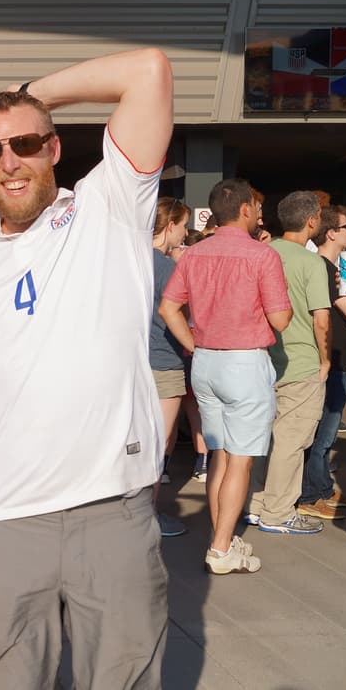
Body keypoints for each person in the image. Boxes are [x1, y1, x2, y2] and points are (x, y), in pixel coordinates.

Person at [0, 48, 173, 689]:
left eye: (25, 143)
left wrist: (24, 91)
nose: (8, 162)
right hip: (6, 514)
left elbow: (148, 69)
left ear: (54, 147)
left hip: (112, 509)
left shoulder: (108, 207)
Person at [160, 179, 292, 574]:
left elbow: (169, 309)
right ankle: (220, 548)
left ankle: (222, 538)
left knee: (219, 454)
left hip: (206, 361)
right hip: (244, 362)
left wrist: (193, 344)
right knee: (240, 460)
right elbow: (281, 319)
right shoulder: (261, 255)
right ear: (248, 209)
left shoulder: (194, 254)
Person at [241, 191, 329, 535]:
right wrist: (324, 360)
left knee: (264, 438)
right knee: (291, 442)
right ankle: (278, 513)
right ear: (311, 221)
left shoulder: (262, 252)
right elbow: (320, 318)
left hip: (262, 360)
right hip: (300, 360)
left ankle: (256, 503)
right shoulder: (311, 262)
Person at [298, 206, 346, 519]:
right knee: (323, 434)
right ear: (332, 233)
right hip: (330, 362)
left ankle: (321, 487)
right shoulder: (322, 268)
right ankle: (311, 494)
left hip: (336, 360)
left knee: (327, 434)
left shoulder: (330, 268)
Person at [150, 197, 191, 536]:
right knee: (159, 444)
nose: (186, 232)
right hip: (163, 360)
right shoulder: (166, 268)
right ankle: (147, 517)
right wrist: (194, 345)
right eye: (182, 225)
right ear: (169, 226)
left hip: (132, 362)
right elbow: (176, 311)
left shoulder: (128, 260)